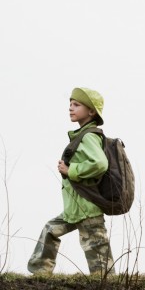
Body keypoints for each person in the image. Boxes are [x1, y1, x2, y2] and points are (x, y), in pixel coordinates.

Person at [27, 87, 114, 276]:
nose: (70, 108)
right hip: (74, 209)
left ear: (91, 111)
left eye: (76, 105)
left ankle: (108, 289)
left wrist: (71, 170)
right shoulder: (82, 135)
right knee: (50, 230)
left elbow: (100, 163)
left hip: (87, 208)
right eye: (70, 104)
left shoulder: (89, 136)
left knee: (98, 252)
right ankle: (40, 274)